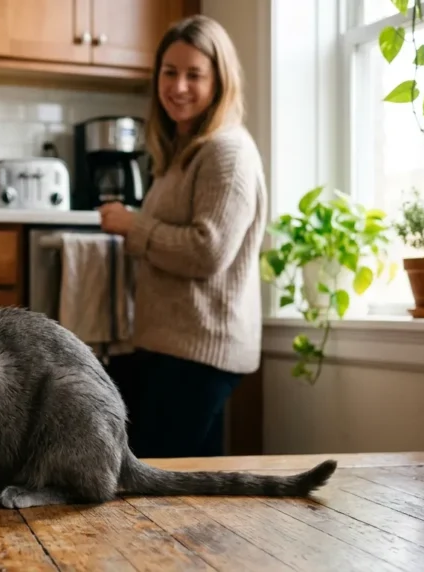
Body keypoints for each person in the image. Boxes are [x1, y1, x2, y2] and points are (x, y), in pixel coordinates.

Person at [98, 14, 267, 459]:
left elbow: (207, 251)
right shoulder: (184, 153)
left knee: (158, 480)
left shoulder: (227, 152)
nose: (178, 87)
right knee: (182, 489)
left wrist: (135, 226)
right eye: (170, 72)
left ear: (219, 81)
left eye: (195, 74)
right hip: (168, 346)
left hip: (201, 351)